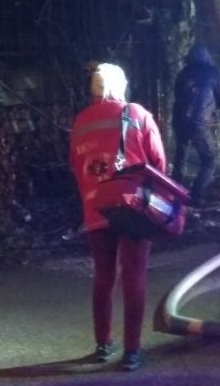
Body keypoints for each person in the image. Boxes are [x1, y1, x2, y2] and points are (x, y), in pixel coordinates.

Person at [69, 63, 166, 372]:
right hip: (133, 207)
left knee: (104, 276)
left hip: (96, 206)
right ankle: (132, 352)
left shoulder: (81, 122)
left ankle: (103, 343)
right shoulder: (136, 114)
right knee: (134, 278)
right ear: (120, 85)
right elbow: (159, 163)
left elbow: (76, 165)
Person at [171, 44, 220, 205]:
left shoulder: (183, 74)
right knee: (209, 159)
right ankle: (197, 195)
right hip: (199, 122)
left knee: (180, 156)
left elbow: (178, 96)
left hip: (180, 121)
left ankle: (173, 192)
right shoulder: (213, 73)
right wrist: (212, 107)